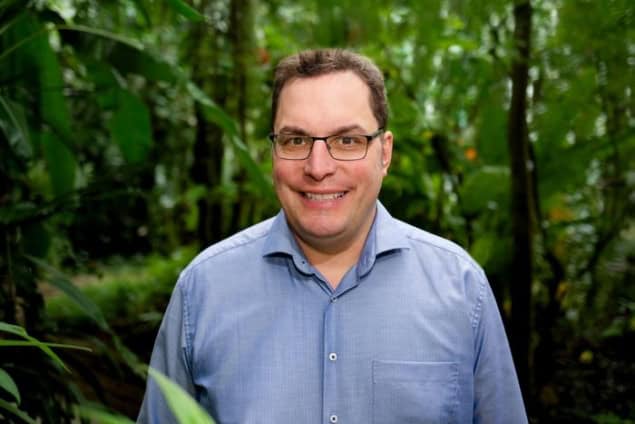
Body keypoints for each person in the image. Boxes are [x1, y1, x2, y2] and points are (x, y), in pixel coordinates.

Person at [138, 48, 527, 423]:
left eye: (347, 140)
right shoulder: (204, 290)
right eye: (296, 140)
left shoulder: (460, 288)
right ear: (273, 152)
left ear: (384, 153)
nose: (318, 167)